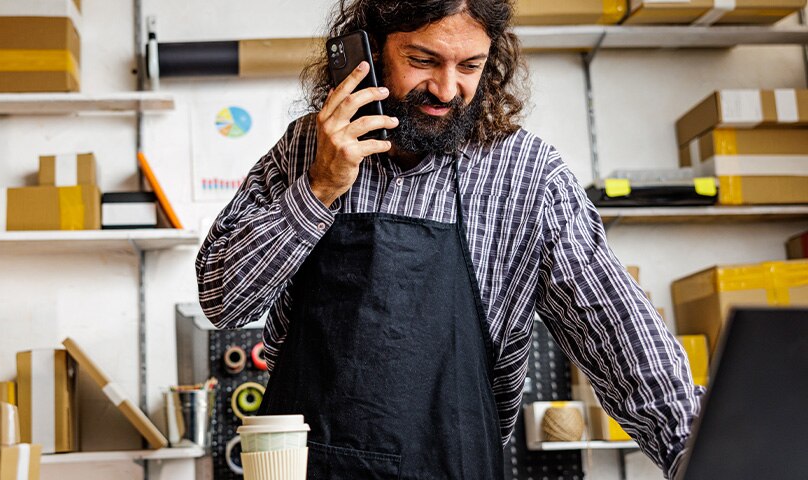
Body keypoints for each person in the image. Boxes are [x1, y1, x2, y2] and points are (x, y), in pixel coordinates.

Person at [196, 0, 703, 478]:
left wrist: (699, 452)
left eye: (469, 66)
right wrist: (319, 187)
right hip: (305, 466)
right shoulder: (310, 147)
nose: (445, 89)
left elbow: (616, 329)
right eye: (422, 60)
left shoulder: (528, 177)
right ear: (368, 52)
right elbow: (223, 300)